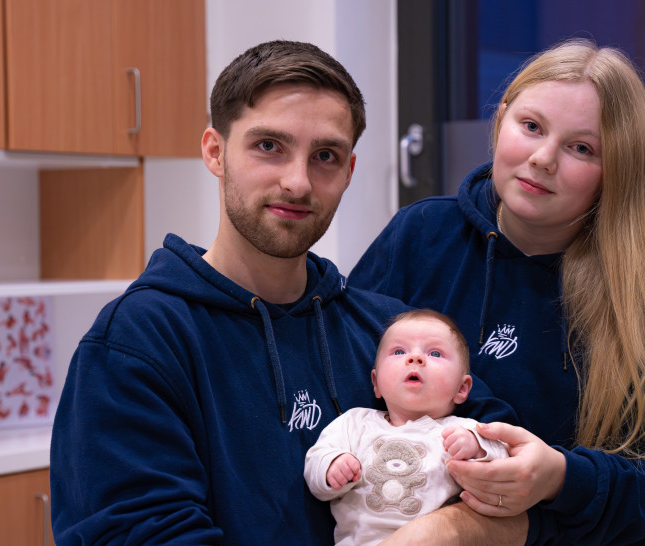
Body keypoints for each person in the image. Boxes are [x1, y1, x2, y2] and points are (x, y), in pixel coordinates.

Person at [49, 40, 513, 545]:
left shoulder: (388, 334)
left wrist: (452, 525)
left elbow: (512, 472)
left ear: (348, 172)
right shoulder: (137, 342)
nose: (298, 182)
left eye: (325, 156)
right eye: (269, 146)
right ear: (215, 151)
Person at [349, 38, 645, 545]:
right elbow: (343, 392)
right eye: (530, 127)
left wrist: (559, 479)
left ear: (617, 169)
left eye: (582, 148)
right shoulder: (420, 235)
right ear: (502, 117)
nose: (543, 158)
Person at [304, 309, 508, 545]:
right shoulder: (354, 423)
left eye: (435, 353)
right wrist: (332, 466)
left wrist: (477, 449)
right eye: (399, 351)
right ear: (376, 382)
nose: (415, 358)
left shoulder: (464, 430)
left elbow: (503, 469)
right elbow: (315, 462)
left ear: (462, 389)